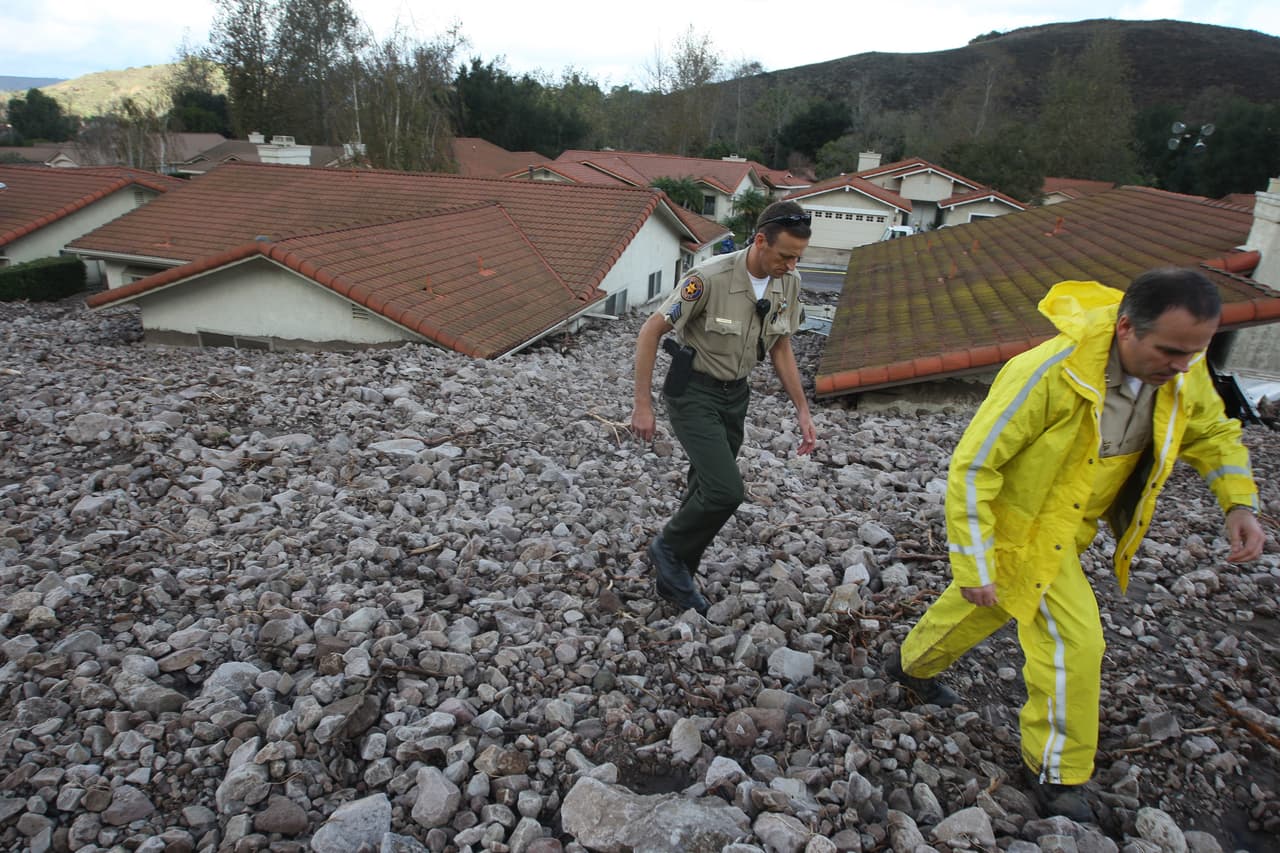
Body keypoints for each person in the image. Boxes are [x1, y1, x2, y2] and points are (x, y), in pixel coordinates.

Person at [887, 268, 1266, 821]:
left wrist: (1238, 502)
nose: (1183, 366)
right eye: (1171, 351)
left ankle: (910, 667)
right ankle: (1057, 772)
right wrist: (972, 558)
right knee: (1075, 643)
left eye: (1195, 352)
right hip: (1027, 527)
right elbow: (974, 467)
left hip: (1074, 525)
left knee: (989, 605)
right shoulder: (1048, 373)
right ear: (1127, 328)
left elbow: (1212, 432)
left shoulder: (1181, 371)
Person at [631, 201, 818, 614]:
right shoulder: (708, 278)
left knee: (703, 486)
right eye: (785, 255)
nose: (791, 264)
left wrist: (802, 410)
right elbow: (650, 331)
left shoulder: (788, 282)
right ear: (760, 241)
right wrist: (641, 406)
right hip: (692, 393)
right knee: (725, 490)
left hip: (737, 395)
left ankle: (677, 575)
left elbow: (781, 346)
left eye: (798, 257)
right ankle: (666, 549)